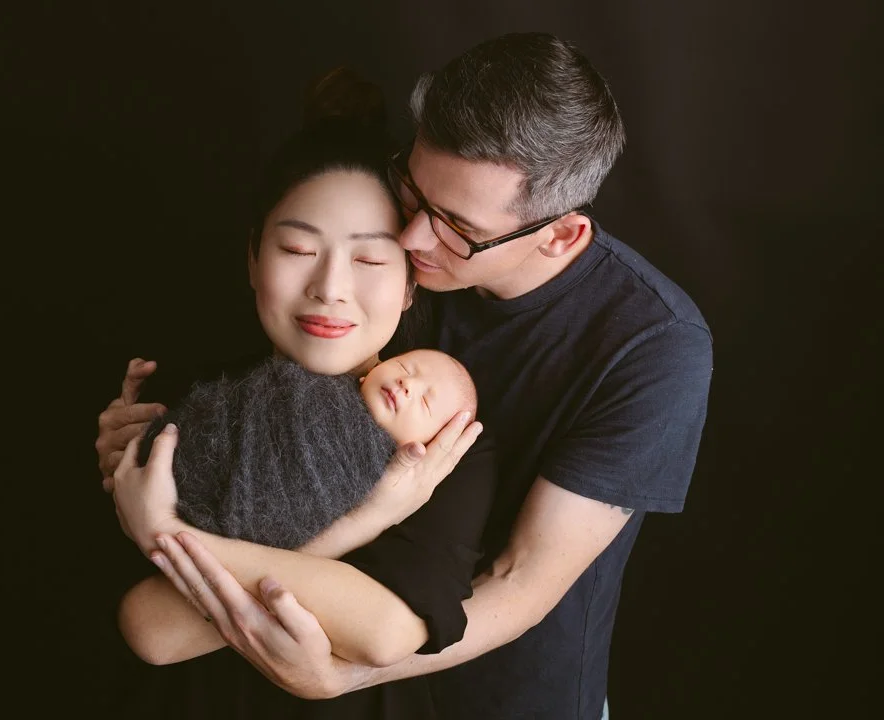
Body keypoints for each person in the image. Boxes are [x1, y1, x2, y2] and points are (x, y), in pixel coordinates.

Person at [100, 32, 714, 719]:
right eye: (413, 191)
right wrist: (154, 448)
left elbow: (522, 580)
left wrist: (339, 675)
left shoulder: (653, 344)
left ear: (560, 235)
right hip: (303, 637)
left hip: (497, 690)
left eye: (455, 226)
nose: (413, 239)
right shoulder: (380, 261)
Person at [102, 67, 497, 718]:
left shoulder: (437, 432)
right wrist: (367, 520)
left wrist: (166, 534)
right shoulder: (187, 397)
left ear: (409, 285)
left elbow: (385, 633)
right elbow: (155, 630)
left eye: (370, 260)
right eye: (295, 249)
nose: (330, 287)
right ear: (253, 257)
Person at [133, 348, 478, 550]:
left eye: (425, 402)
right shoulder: (318, 373)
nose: (407, 384)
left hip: (206, 521)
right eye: (406, 368)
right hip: (165, 451)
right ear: (367, 373)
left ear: (426, 447)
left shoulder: (370, 471)